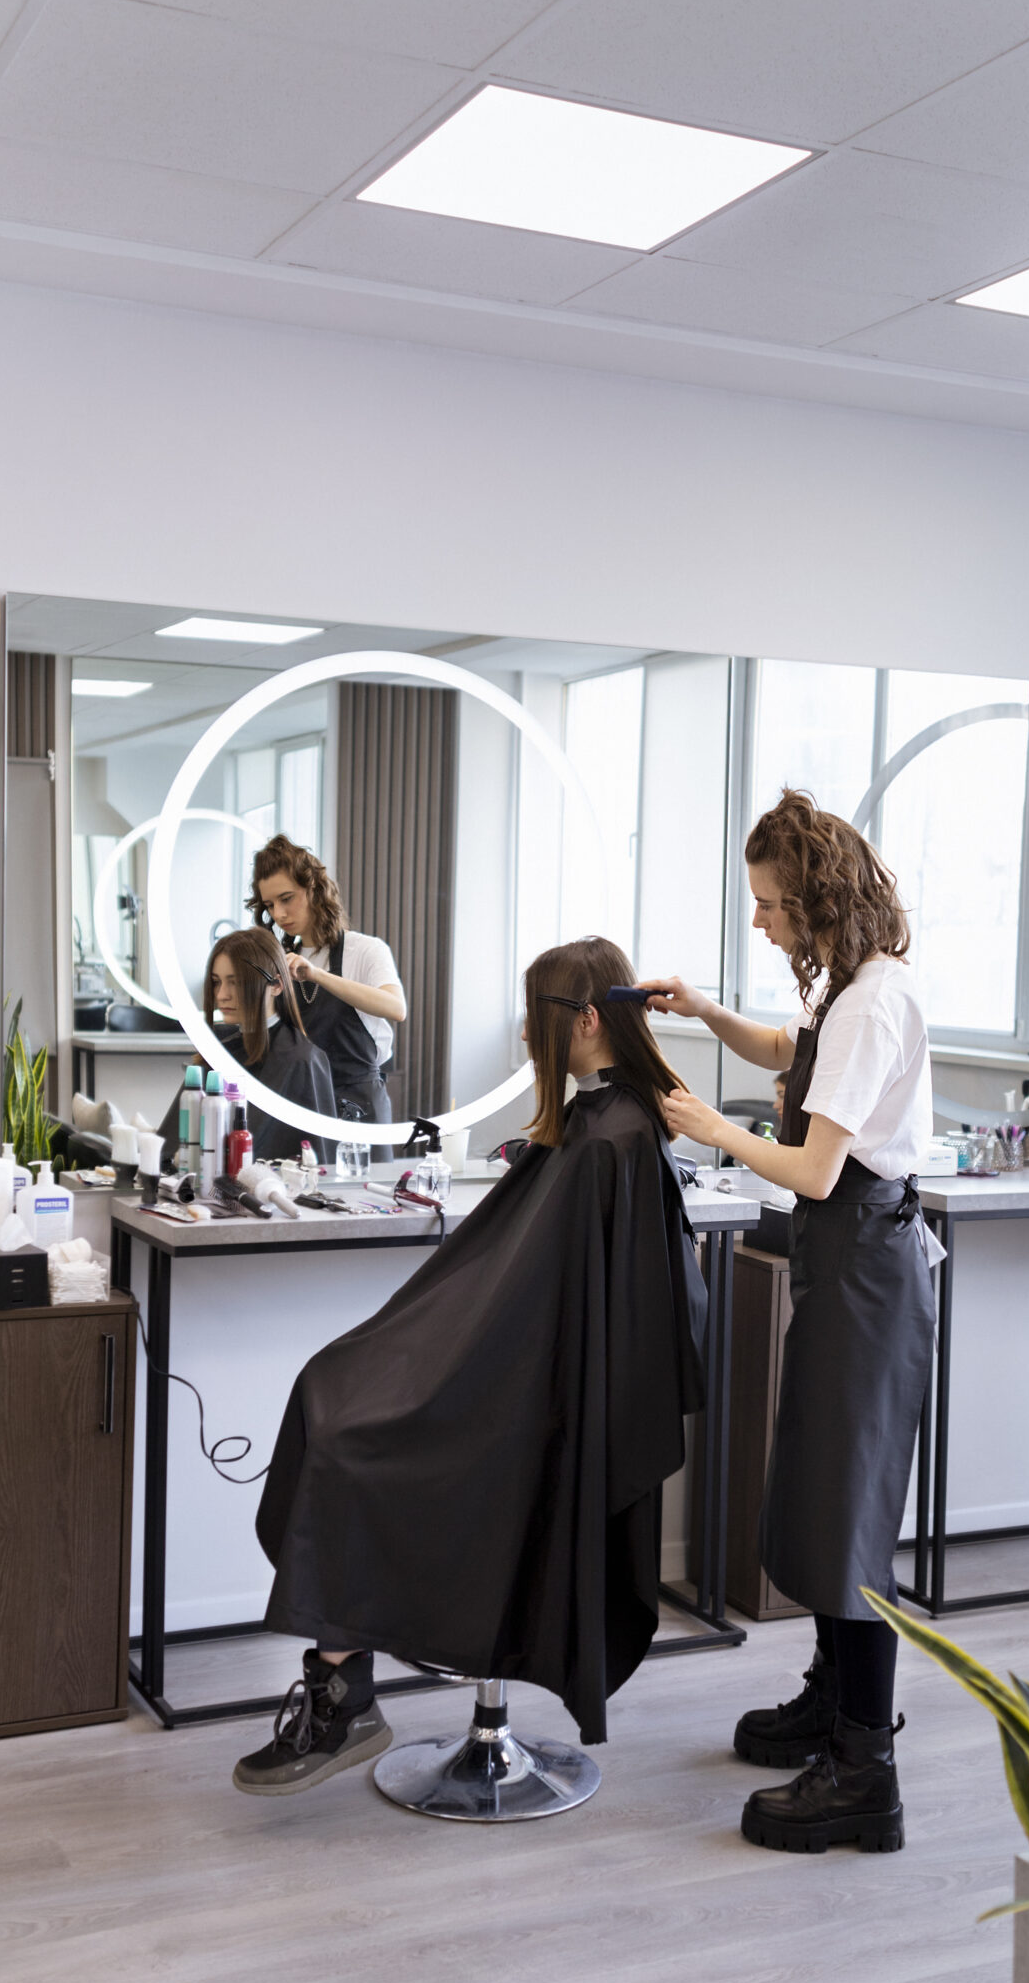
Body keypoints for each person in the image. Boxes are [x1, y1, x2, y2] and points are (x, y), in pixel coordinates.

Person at [233, 934, 707, 1798]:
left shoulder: (612, 1140)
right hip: (518, 1383)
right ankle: (343, 1688)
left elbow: (537, 1315)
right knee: (328, 1389)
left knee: (351, 1435)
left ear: (588, 1023)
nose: (527, 1041)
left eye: (535, 1025)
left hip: (527, 1410)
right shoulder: (605, 1124)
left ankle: (341, 1697)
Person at [645, 788, 935, 1858]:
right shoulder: (848, 989)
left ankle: (868, 1772)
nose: (761, 922)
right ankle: (830, 1703)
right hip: (845, 1267)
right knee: (821, 1497)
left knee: (850, 1518)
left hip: (864, 1269)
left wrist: (710, 1127)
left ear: (816, 900)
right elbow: (789, 1050)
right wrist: (706, 1012)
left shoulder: (871, 1003)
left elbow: (815, 1168)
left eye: (770, 905)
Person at [248, 837, 405, 1126]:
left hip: (361, 1107)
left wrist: (317, 975)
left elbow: (396, 1008)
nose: (279, 914)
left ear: (314, 890)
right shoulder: (280, 962)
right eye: (270, 905)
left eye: (286, 898)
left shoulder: (366, 950)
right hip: (302, 1104)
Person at [158, 927, 336, 1167]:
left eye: (237, 983)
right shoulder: (220, 1050)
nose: (222, 995)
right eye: (216, 982)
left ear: (276, 985)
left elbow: (317, 1165)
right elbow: (169, 1149)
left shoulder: (301, 1059)